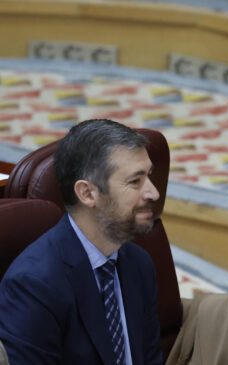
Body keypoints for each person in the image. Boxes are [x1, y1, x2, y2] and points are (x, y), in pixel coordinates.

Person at [0, 119, 164, 365]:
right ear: (87, 193)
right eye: (135, 181)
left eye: (149, 177)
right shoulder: (33, 285)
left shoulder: (139, 264)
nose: (154, 192)